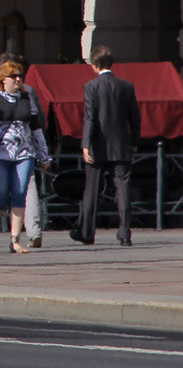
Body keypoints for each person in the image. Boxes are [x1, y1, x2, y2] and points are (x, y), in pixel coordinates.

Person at [72, 45, 141, 247]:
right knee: (123, 187)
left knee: (91, 188)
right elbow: (134, 118)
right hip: (121, 144)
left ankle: (87, 232)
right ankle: (125, 232)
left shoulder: (91, 87)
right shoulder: (126, 86)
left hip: (97, 144)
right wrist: (134, 141)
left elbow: (90, 118)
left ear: (94, 65)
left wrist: (85, 144)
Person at [0, 61, 50, 254]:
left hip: (24, 153)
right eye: (14, 76)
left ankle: (15, 239)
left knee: (20, 194)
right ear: (4, 80)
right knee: (0, 195)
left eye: (20, 76)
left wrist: (44, 155)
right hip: (1, 153)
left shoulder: (27, 97)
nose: (18, 79)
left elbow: (36, 128)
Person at [0, 51, 45, 248]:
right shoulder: (29, 91)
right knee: (27, 189)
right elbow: (39, 121)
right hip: (22, 148)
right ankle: (33, 231)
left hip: (5, 151)